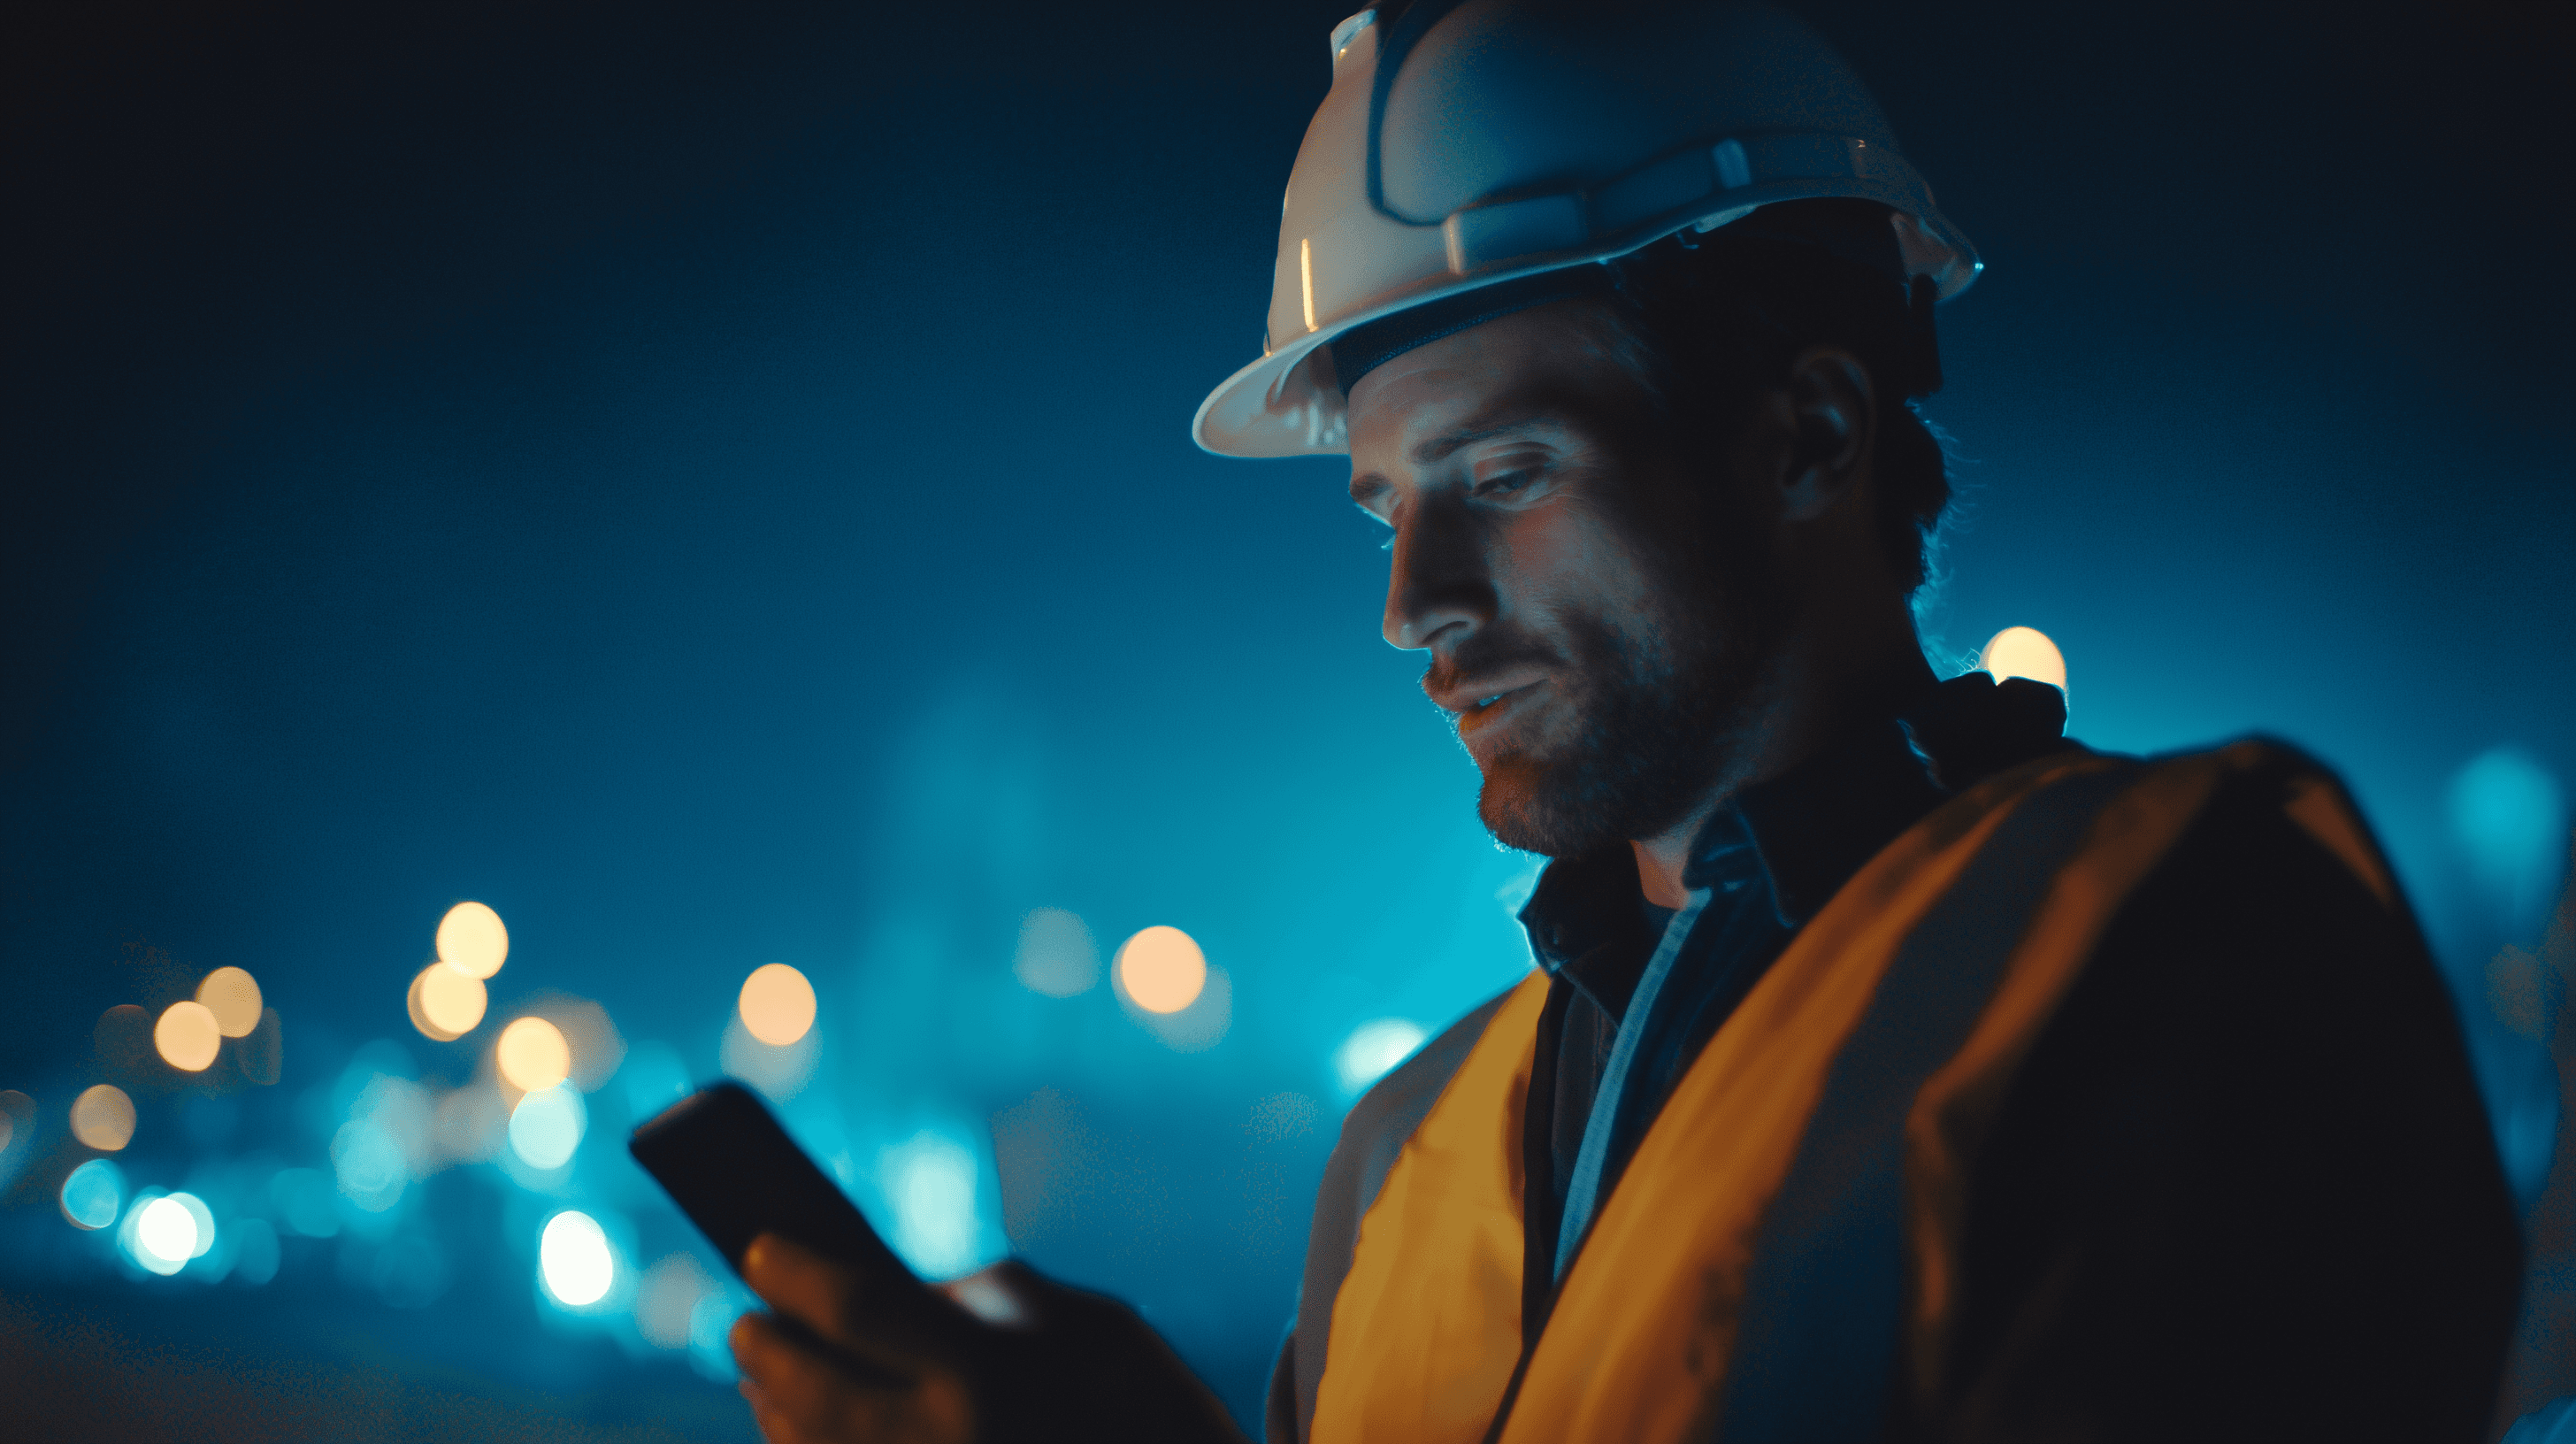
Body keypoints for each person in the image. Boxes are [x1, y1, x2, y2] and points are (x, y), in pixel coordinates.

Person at [726, 4, 2525, 1440]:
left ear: (1809, 437)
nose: (1414, 600)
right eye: (1384, 508)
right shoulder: (1409, 1154)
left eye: (1505, 474)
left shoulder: (2175, 949)